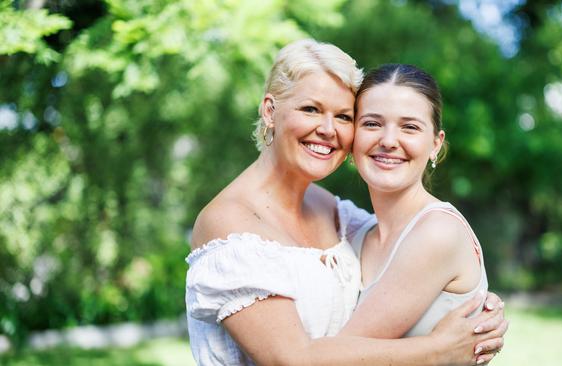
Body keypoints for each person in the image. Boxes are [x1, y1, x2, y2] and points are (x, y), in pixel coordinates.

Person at [185, 39, 506, 366]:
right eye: (310, 109)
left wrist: (472, 294)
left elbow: (411, 250)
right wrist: (437, 350)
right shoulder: (228, 223)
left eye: (342, 116)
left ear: (436, 143)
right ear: (270, 111)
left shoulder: (331, 210)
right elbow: (294, 360)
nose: (327, 129)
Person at [342, 64, 497, 351]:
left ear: (435, 144)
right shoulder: (357, 234)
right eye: (372, 124)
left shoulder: (437, 232)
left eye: (409, 127)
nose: (388, 141)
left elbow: (335, 356)